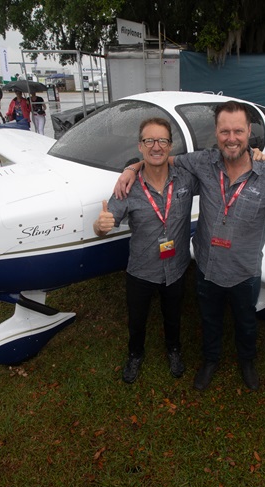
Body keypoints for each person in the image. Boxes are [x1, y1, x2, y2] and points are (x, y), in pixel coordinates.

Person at [116, 101, 265, 392]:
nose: (232, 138)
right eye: (225, 131)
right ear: (216, 133)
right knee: (210, 319)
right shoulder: (203, 162)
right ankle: (210, 360)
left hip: (245, 270)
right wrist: (132, 167)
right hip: (206, 266)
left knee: (246, 322)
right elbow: (159, 156)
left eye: (238, 131)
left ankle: (247, 361)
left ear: (249, 132)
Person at [94, 118, 198, 383]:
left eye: (162, 140)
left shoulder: (186, 178)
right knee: (137, 320)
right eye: (149, 140)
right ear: (140, 146)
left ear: (170, 146)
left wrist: (254, 155)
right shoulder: (127, 187)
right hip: (140, 269)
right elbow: (104, 224)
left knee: (173, 316)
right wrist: (100, 226)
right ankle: (135, 354)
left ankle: (173, 350)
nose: (156, 146)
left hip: (176, 266)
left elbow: (220, 169)